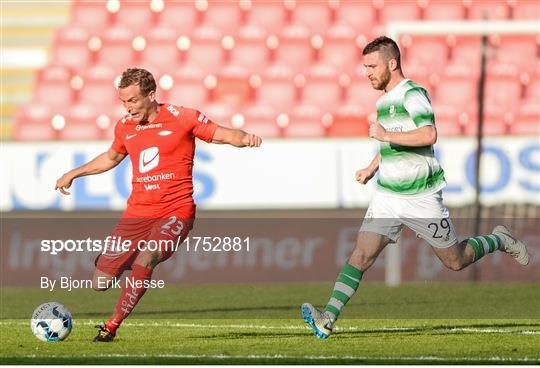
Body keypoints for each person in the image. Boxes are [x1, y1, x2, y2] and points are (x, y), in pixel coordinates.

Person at [301, 36, 530, 339]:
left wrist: (384, 136)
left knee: (455, 261)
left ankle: (499, 239)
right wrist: (372, 167)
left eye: (372, 66)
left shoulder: (413, 95)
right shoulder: (383, 102)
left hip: (420, 197)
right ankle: (327, 317)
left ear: (392, 63)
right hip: (387, 196)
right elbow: (394, 140)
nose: (367, 72)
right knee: (361, 255)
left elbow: (428, 134)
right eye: (365, 67)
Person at [55, 68, 262, 342]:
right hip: (137, 214)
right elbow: (111, 158)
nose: (128, 108)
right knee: (100, 283)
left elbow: (221, 133)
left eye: (132, 101)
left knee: (148, 257)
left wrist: (244, 138)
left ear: (151, 95)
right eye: (123, 102)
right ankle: (123, 266)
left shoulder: (182, 117)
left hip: (176, 211)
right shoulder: (125, 127)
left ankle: (111, 326)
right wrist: (73, 174)